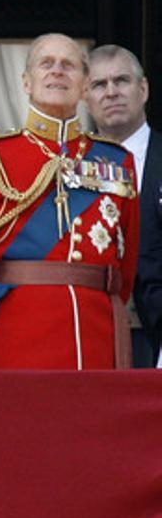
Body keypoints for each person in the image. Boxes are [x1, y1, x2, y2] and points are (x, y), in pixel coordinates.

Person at [0, 34, 138, 369]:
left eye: (68, 65)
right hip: (14, 340)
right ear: (26, 82)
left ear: (85, 85)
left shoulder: (117, 162)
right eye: (46, 63)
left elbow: (125, 265)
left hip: (96, 339)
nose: (57, 71)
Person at [86, 45, 162, 367]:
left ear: (143, 89)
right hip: (90, 334)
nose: (111, 92)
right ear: (85, 98)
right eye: (99, 85)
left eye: (121, 81)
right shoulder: (66, 166)